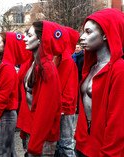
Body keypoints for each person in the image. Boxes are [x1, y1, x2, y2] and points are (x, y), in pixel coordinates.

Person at [75, 8, 124, 156]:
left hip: (103, 150)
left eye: (89, 32)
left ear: (105, 34)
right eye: (83, 31)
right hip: (83, 146)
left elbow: (118, 122)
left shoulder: (119, 69)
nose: (82, 37)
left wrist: (109, 153)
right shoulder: (91, 68)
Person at [17, 20, 68, 156]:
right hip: (33, 132)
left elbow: (46, 110)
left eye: (29, 35)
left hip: (41, 138)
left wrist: (35, 144)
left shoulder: (47, 68)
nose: (24, 39)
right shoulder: (34, 64)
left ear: (41, 39)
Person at [0, 32, 30, 157]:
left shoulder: (8, 68)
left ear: (7, 46)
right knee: (7, 153)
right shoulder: (4, 66)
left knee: (1, 153)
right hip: (3, 116)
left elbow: (1, 99)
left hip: (4, 117)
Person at [54, 27, 79, 157]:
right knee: (59, 145)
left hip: (65, 111)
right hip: (59, 109)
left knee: (65, 144)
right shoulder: (58, 59)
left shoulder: (67, 61)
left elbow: (70, 88)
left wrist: (63, 107)